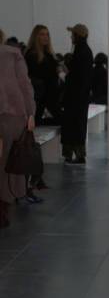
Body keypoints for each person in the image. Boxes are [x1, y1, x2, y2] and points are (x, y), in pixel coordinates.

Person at [0, 29, 36, 227]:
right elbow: (25, 85)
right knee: (9, 159)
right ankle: (5, 204)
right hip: (13, 114)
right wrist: (31, 112)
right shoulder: (13, 55)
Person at [61, 24, 93, 163]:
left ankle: (74, 155)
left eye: (73, 34)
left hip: (75, 97)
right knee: (78, 126)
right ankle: (78, 154)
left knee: (72, 126)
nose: (71, 37)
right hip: (81, 97)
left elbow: (76, 76)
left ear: (77, 35)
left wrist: (66, 74)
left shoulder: (80, 51)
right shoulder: (85, 50)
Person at [25, 25, 61, 126]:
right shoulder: (31, 55)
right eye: (42, 34)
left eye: (47, 34)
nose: (46, 37)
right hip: (40, 97)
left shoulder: (49, 54)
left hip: (50, 96)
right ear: (36, 37)